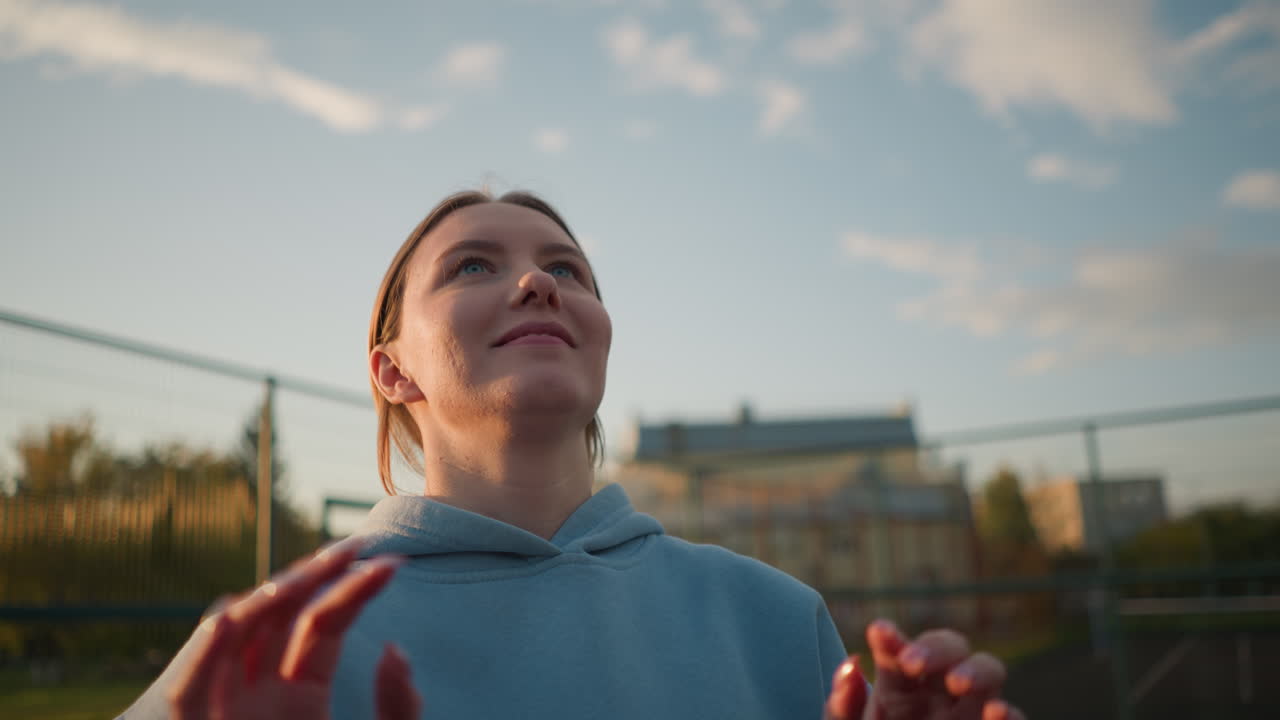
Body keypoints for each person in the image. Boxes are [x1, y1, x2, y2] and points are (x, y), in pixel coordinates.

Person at [120, 190, 1025, 720]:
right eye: (471, 265)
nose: (536, 280)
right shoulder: (271, 652)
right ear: (392, 371)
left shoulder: (778, 622)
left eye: (569, 270)